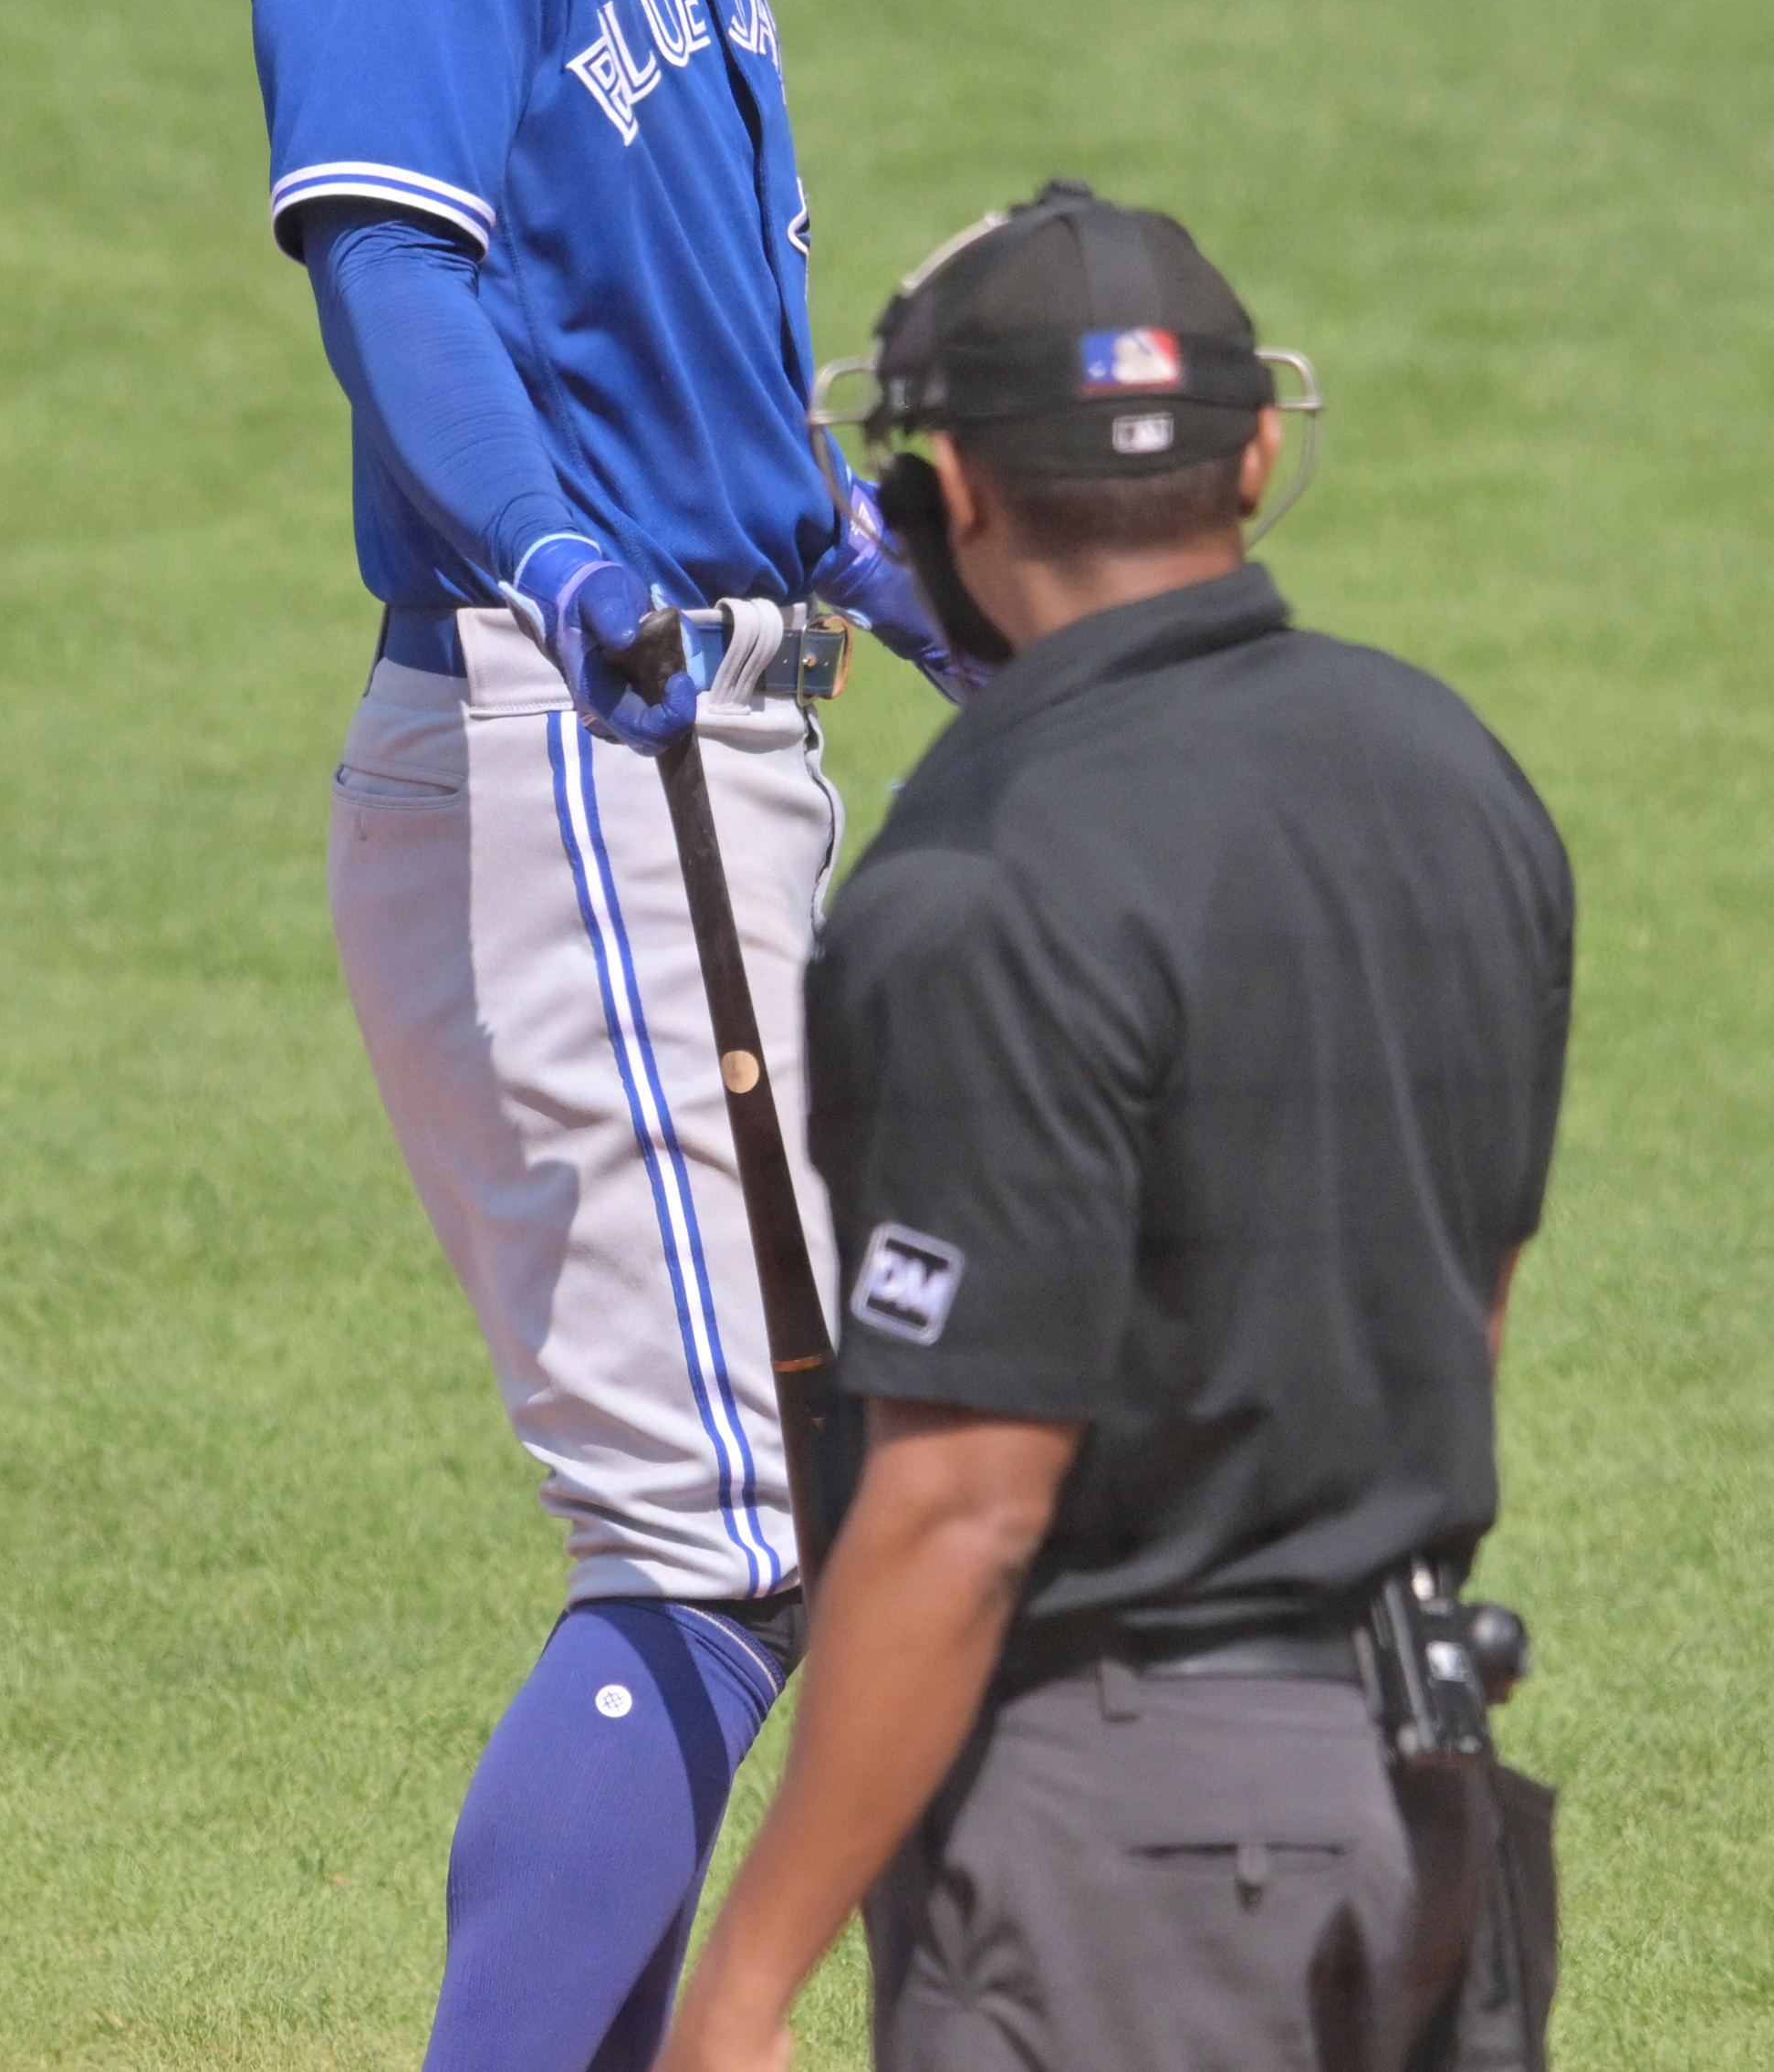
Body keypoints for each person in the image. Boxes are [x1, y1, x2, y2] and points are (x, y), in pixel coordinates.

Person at [240, 0, 965, 2072]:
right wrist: (547, 549)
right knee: (736, 1517)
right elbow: (397, 265)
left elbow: (679, 330)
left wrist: (862, 556)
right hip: (577, 729)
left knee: (739, 1518)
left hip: (682, 718)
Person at [660, 182, 1575, 2072]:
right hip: (1415, 1804)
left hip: (1114, 1852)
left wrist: (743, 1989)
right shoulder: (1457, 781)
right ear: (1254, 452)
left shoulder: (981, 882)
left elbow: (963, 1504)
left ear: (953, 497)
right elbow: (1457, 1309)